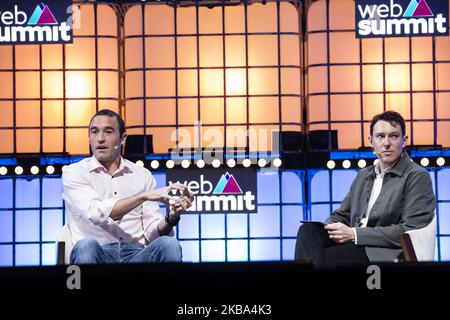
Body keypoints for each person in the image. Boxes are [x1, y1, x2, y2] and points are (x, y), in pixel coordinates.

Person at [295, 111, 436, 269]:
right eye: (380, 136)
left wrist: (354, 234)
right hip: (354, 243)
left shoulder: (417, 176)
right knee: (308, 232)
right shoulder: (364, 175)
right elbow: (342, 214)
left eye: (394, 136)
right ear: (371, 141)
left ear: (404, 140)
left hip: (384, 251)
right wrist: (332, 228)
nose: (386, 143)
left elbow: (408, 231)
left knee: (325, 258)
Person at [62, 109, 194, 264]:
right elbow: (97, 212)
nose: (100, 139)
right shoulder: (74, 172)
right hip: (98, 253)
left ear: (123, 139)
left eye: (108, 132)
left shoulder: (142, 174)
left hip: (137, 255)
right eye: (94, 132)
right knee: (86, 246)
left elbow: (152, 233)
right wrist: (142, 196)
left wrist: (171, 218)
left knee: (169, 244)